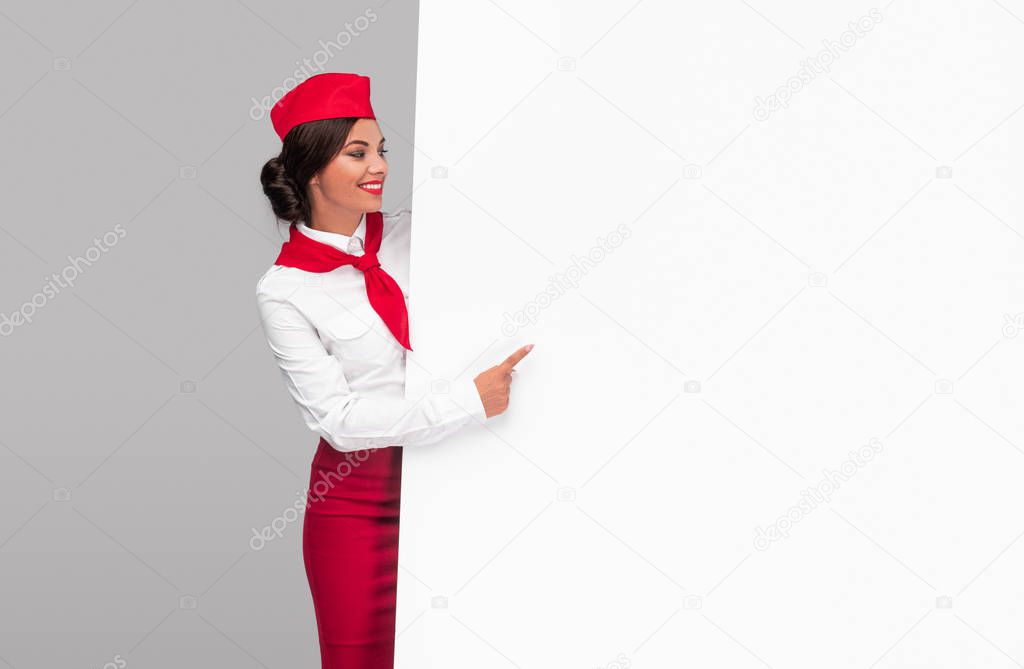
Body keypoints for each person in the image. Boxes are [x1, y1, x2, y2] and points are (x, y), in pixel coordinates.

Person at [255, 72, 532, 668]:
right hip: (357, 502)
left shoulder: (425, 234)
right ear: (311, 171)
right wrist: (466, 401)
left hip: (463, 472)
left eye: (381, 149)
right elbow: (340, 420)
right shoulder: (285, 290)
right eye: (357, 153)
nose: (378, 164)